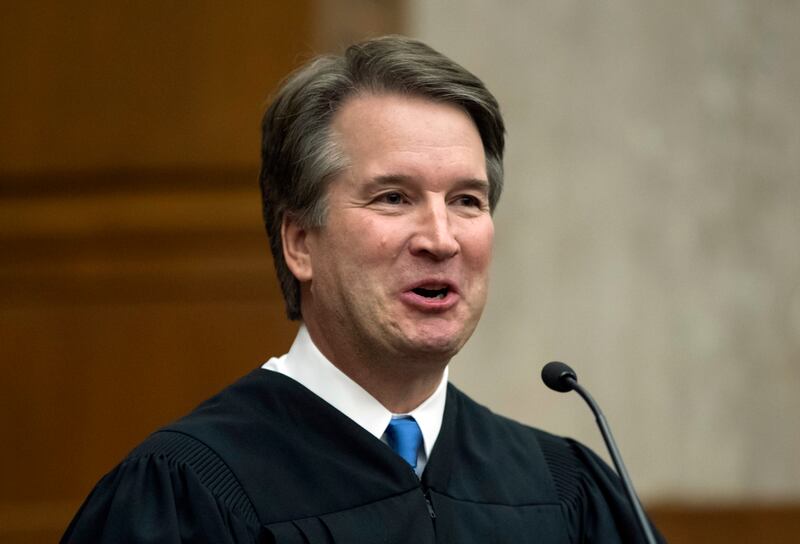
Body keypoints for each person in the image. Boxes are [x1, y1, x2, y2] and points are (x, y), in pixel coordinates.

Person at [62, 36, 663, 543]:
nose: (441, 239)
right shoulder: (185, 492)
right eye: (393, 198)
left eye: (466, 201)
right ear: (299, 243)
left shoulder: (563, 490)